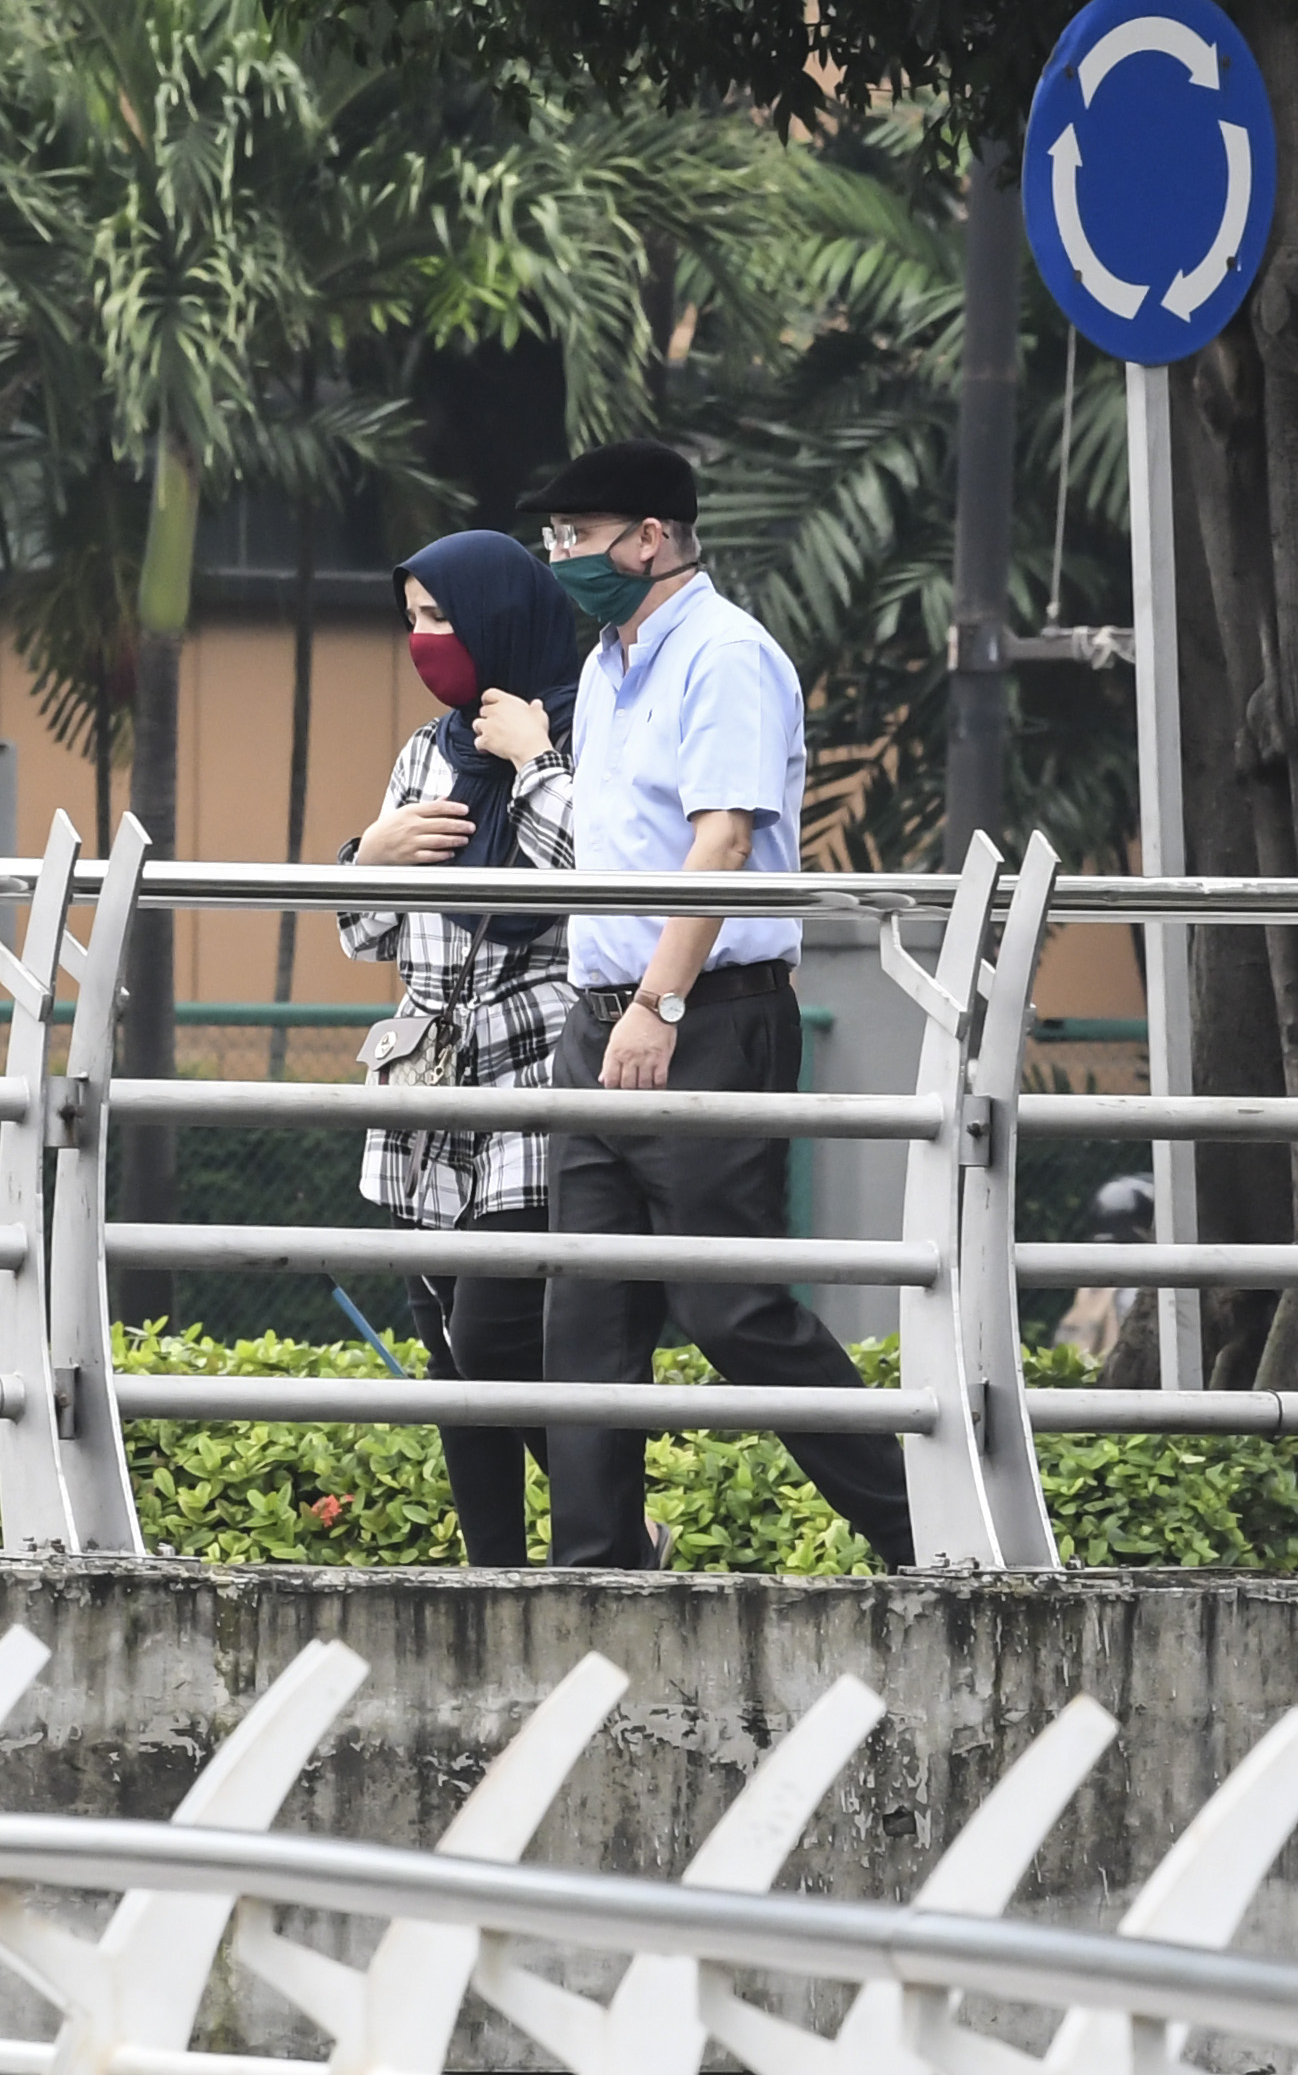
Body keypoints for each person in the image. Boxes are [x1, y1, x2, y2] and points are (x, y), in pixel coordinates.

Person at [531, 440, 914, 1570]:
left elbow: (725, 839)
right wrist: (614, 1006)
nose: (562, 557)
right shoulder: (606, 664)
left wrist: (660, 998)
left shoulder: (727, 655)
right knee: (585, 1317)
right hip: (601, 1014)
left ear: (650, 538)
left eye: (578, 536)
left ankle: (921, 1529)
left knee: (727, 1306)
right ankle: (592, 1572)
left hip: (698, 1012)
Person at [332, 529, 581, 1571]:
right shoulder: (424, 753)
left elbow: (604, 878)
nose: (424, 642)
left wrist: (532, 766)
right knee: (445, 1355)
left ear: (497, 618)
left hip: (533, 1078)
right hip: (426, 1089)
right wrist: (366, 859)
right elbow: (365, 935)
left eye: (441, 618)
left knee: (491, 1339)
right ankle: (494, 1575)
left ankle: (607, 1518)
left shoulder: (578, 733)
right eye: (413, 620)